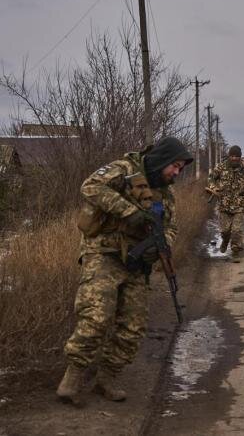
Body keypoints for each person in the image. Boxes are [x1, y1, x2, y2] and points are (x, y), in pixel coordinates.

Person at [56, 136, 192, 406]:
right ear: (162, 159)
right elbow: (90, 186)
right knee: (96, 316)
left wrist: (162, 245)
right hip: (103, 253)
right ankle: (73, 376)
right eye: (174, 166)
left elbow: (172, 227)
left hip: (136, 262)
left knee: (134, 326)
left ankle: (107, 377)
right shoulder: (123, 169)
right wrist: (130, 212)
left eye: (180, 168)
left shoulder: (166, 193)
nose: (177, 173)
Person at [206, 145, 244, 262]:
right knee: (225, 231)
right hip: (224, 204)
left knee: (236, 230)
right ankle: (225, 240)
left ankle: (235, 251)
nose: (234, 158)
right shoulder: (221, 167)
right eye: (232, 156)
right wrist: (213, 187)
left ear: (240, 157)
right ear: (229, 156)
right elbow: (211, 178)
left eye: (237, 156)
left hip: (239, 205)